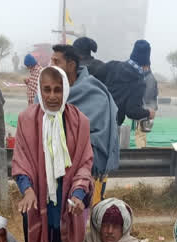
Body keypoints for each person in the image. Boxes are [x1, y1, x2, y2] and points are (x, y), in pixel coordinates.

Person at [12, 66, 94, 242]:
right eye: (46, 89)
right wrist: (27, 190)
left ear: (66, 89)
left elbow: (84, 163)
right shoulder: (26, 119)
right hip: (36, 205)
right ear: (39, 90)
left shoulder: (79, 121)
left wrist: (79, 194)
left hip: (67, 206)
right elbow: (21, 160)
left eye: (58, 89)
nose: (52, 96)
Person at [50, 44, 119, 203]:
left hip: (85, 172)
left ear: (71, 65)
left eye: (56, 61)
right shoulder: (46, 91)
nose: (51, 66)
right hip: (51, 172)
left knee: (80, 218)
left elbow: (99, 137)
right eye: (51, 61)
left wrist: (74, 146)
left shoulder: (94, 93)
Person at [104, 40, 156, 125]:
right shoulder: (139, 82)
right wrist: (148, 113)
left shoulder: (113, 65)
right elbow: (132, 111)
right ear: (146, 64)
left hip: (95, 115)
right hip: (111, 124)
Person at [135, 64, 158, 148]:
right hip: (148, 109)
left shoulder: (149, 79)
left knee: (140, 134)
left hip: (147, 109)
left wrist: (140, 109)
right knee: (142, 133)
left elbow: (147, 96)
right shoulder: (148, 77)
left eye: (142, 66)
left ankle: (141, 153)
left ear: (146, 67)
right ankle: (143, 150)